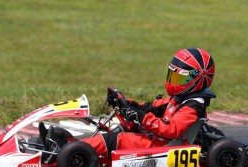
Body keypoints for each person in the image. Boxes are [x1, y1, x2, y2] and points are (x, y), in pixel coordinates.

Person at [81, 48, 216, 159]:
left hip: (162, 146)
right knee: (124, 128)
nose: (173, 81)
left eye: (179, 77)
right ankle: (74, 147)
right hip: (157, 140)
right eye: (172, 76)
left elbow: (171, 130)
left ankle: (78, 152)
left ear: (198, 78)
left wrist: (142, 117)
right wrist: (127, 104)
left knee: (115, 139)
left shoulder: (193, 105)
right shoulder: (179, 98)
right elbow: (150, 107)